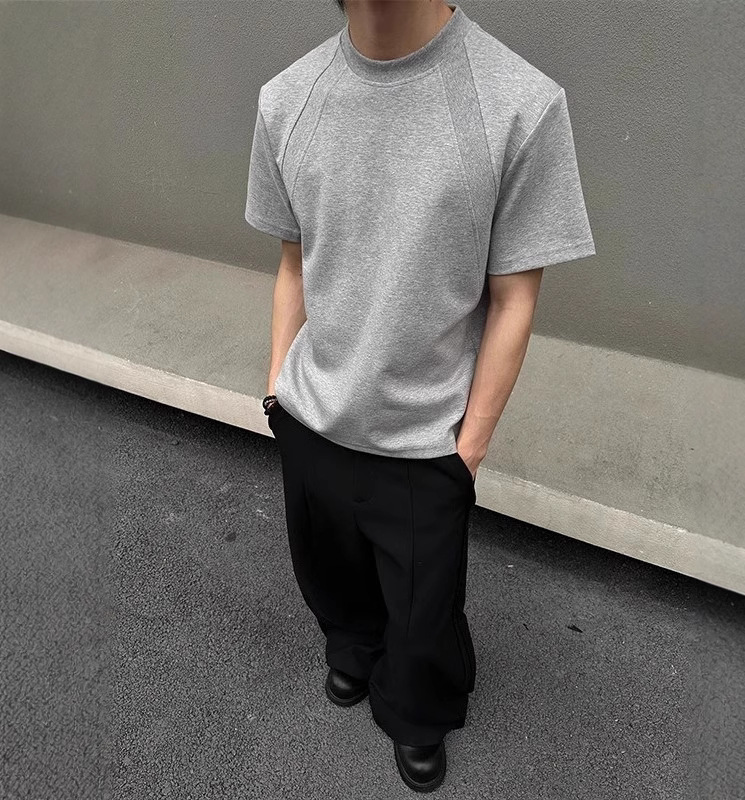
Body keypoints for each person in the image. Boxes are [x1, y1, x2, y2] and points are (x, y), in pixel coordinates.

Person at [246, 0, 596, 792]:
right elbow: (293, 264)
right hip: (309, 416)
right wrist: (275, 393)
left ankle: (417, 713)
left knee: (424, 613)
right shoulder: (286, 99)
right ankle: (352, 652)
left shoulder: (519, 103)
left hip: (423, 442)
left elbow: (515, 298)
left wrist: (466, 453)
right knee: (330, 578)